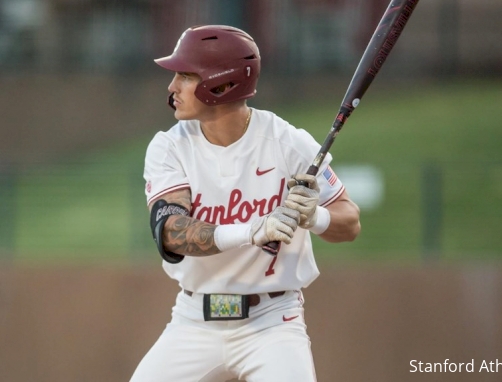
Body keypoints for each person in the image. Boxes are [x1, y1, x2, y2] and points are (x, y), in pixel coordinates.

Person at [131, 25, 361, 382]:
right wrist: (252, 230)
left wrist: (313, 216)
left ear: (221, 85)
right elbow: (171, 234)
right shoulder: (169, 147)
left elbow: (350, 223)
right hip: (193, 320)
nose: (172, 87)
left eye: (185, 76)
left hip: (273, 323)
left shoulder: (288, 142)